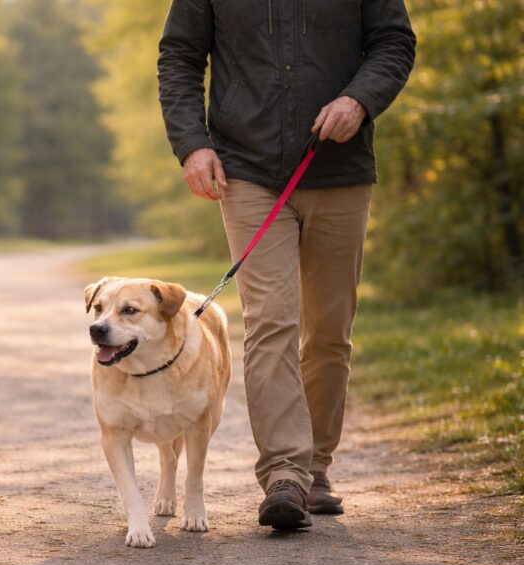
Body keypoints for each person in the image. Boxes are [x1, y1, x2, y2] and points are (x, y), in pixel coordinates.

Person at [158, 1, 415, 529]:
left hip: (339, 167)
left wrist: (359, 100)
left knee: (328, 330)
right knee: (272, 318)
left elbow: (394, 43)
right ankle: (284, 475)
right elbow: (180, 57)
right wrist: (191, 145)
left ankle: (315, 468)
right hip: (246, 171)